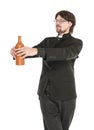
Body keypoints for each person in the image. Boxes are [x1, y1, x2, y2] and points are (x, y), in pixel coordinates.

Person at [10, 10, 83, 130]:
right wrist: (16, 53)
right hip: (46, 94)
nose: (57, 23)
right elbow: (29, 52)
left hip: (67, 96)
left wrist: (38, 51)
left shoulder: (76, 43)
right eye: (56, 20)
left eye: (61, 20)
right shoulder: (48, 41)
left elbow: (65, 54)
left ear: (70, 23)